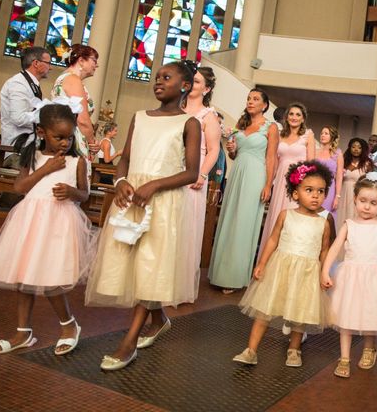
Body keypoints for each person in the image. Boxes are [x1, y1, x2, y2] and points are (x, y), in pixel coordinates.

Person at [85, 61, 201, 371]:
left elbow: (191, 172)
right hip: (132, 198)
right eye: (157, 77)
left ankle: (129, 341)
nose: (158, 82)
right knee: (129, 262)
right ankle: (159, 319)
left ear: (185, 86)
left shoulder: (189, 123)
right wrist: (121, 182)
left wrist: (156, 184)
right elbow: (125, 159)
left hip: (162, 202)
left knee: (150, 265)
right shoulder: (139, 118)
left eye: (167, 77)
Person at [0, 102, 96, 355]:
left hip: (58, 225)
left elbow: (84, 194)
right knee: (24, 278)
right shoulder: (31, 156)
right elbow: (20, 187)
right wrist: (46, 169)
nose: (64, 143)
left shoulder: (76, 161)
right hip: (29, 223)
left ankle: (69, 326)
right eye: (59, 137)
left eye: (69, 137)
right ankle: (23, 332)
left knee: (50, 280)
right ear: (42, 132)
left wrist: (71, 192)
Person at [233, 160, 332, 367]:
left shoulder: (323, 223)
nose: (316, 195)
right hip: (280, 269)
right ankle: (251, 350)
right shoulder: (286, 215)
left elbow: (324, 250)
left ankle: (294, 350)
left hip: (306, 273)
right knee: (264, 309)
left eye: (321, 191)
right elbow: (272, 240)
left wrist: (324, 273)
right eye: (309, 190)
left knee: (300, 311)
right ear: (295, 194)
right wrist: (262, 263)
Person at [321, 172, 377, 378]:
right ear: (355, 199)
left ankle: (369, 348)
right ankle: (345, 358)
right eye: (363, 201)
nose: (367, 207)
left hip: (374, 278)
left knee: (370, 314)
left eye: (373, 203)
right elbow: (334, 249)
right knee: (346, 318)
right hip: (349, 277)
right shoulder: (348, 225)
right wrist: (325, 270)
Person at [208, 88, 278, 293]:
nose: (251, 101)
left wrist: (268, 185)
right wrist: (231, 151)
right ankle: (220, 273)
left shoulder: (271, 127)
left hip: (256, 176)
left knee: (244, 222)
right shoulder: (241, 124)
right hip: (237, 173)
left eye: (256, 99)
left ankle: (235, 276)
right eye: (249, 98)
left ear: (265, 105)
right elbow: (234, 155)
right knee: (228, 219)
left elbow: (271, 158)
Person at [258, 103, 315, 252]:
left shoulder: (308, 135)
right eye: (291, 114)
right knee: (276, 216)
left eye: (298, 115)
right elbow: (274, 161)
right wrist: (268, 183)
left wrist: (305, 186)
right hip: (280, 183)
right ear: (286, 117)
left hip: (298, 183)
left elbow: (311, 164)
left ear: (303, 119)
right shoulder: (280, 135)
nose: (294, 117)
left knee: (292, 218)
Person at [181, 63, 222, 259]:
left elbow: (214, 150)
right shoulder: (176, 109)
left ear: (206, 89)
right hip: (172, 168)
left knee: (185, 224)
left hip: (194, 172)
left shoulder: (208, 116)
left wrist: (202, 174)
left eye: (196, 81)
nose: (191, 84)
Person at [0, 46, 52, 169]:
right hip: (17, 151)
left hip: (28, 149)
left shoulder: (30, 83)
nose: (51, 67)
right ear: (36, 63)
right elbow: (18, 118)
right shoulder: (18, 84)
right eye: (48, 63)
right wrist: (46, 116)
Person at [51, 44, 99, 160]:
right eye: (94, 60)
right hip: (73, 140)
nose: (96, 65)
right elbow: (82, 119)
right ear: (81, 60)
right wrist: (92, 143)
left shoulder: (65, 78)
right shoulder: (72, 79)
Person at [337, 138, 373, 229]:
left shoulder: (367, 164)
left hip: (358, 194)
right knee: (341, 215)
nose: (356, 149)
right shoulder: (344, 161)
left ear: (363, 149)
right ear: (349, 148)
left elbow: (370, 182)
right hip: (343, 193)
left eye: (359, 147)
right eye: (353, 147)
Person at [315, 125, 343, 219]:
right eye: (322, 133)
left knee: (326, 215)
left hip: (330, 188)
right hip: (315, 186)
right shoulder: (315, 151)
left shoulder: (338, 153)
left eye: (326, 133)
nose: (322, 135)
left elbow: (339, 177)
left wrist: (337, 197)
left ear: (332, 136)